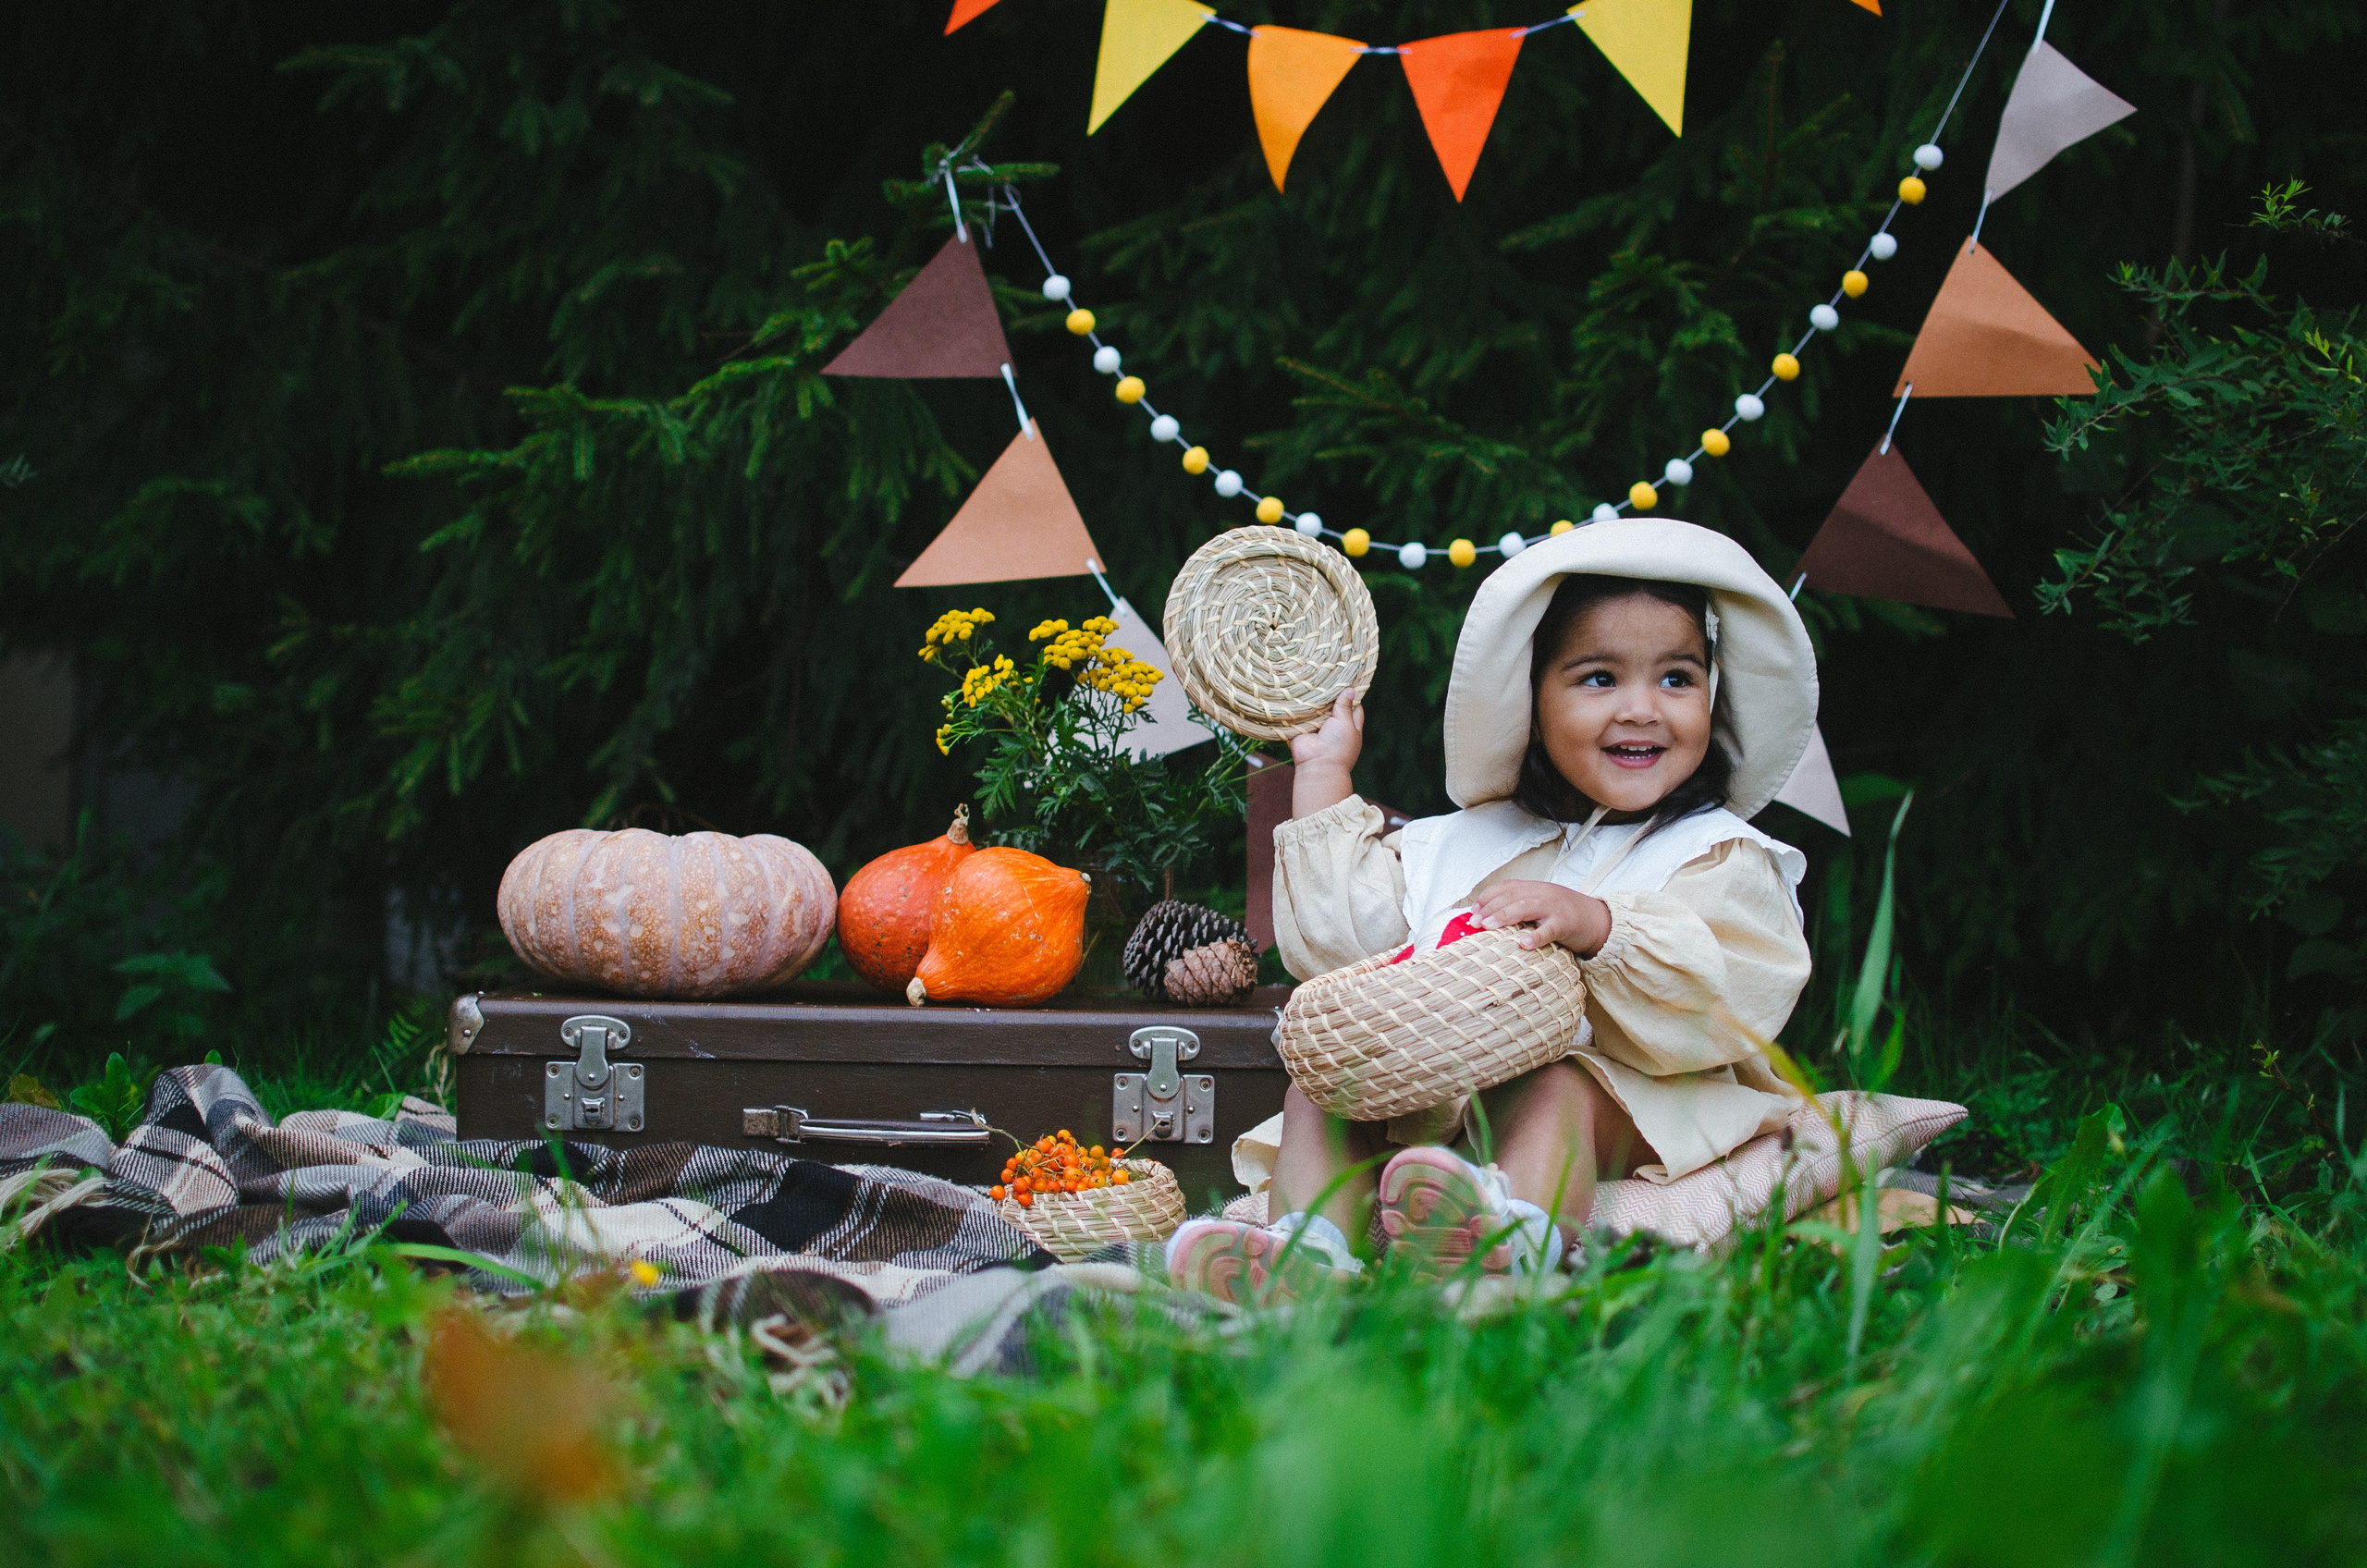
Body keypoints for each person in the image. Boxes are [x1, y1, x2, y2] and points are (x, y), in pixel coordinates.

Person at [1167, 520, 1819, 1302]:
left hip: (1634, 1090)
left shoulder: (1712, 852)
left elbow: (1732, 991)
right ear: (1530, 701)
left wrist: (1599, 928)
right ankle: (1307, 1251)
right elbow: (1344, 946)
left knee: (1559, 1084)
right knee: (1325, 1090)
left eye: (1677, 678)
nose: (1643, 709)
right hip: (1447, 1096)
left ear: (1716, 694)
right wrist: (1323, 773)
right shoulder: (1470, 842)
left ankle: (1513, 1239)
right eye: (1599, 679)